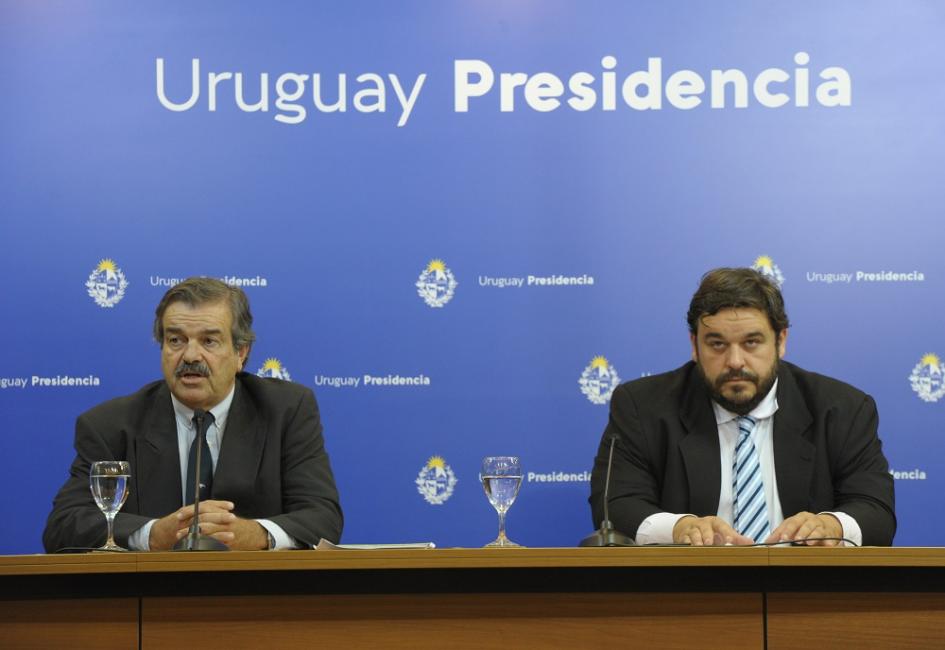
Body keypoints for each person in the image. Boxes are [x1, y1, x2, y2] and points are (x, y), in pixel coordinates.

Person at [589, 267, 895, 547]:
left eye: (751, 342)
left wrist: (832, 525)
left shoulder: (842, 408)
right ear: (695, 345)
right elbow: (617, 505)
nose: (735, 362)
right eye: (717, 344)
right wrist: (680, 527)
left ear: (781, 341)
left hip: (807, 593)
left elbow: (876, 511)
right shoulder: (643, 407)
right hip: (689, 591)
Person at [43, 277, 343, 552]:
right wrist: (151, 534)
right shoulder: (110, 424)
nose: (190, 356)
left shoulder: (286, 410)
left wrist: (257, 534)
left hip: (257, 597)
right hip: (148, 597)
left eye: (209, 341)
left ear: (241, 353)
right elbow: (64, 525)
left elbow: (322, 516)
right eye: (176, 340)